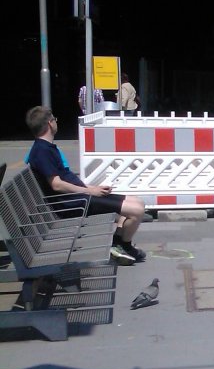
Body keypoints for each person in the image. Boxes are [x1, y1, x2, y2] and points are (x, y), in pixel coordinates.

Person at [25, 106, 147, 266]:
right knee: (136, 211)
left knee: (138, 203)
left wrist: (92, 188)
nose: (56, 122)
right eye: (55, 119)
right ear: (50, 123)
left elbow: (65, 180)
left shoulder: (46, 148)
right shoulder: (42, 151)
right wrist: (91, 190)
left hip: (81, 196)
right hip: (74, 203)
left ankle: (118, 243)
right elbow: (57, 185)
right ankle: (125, 246)